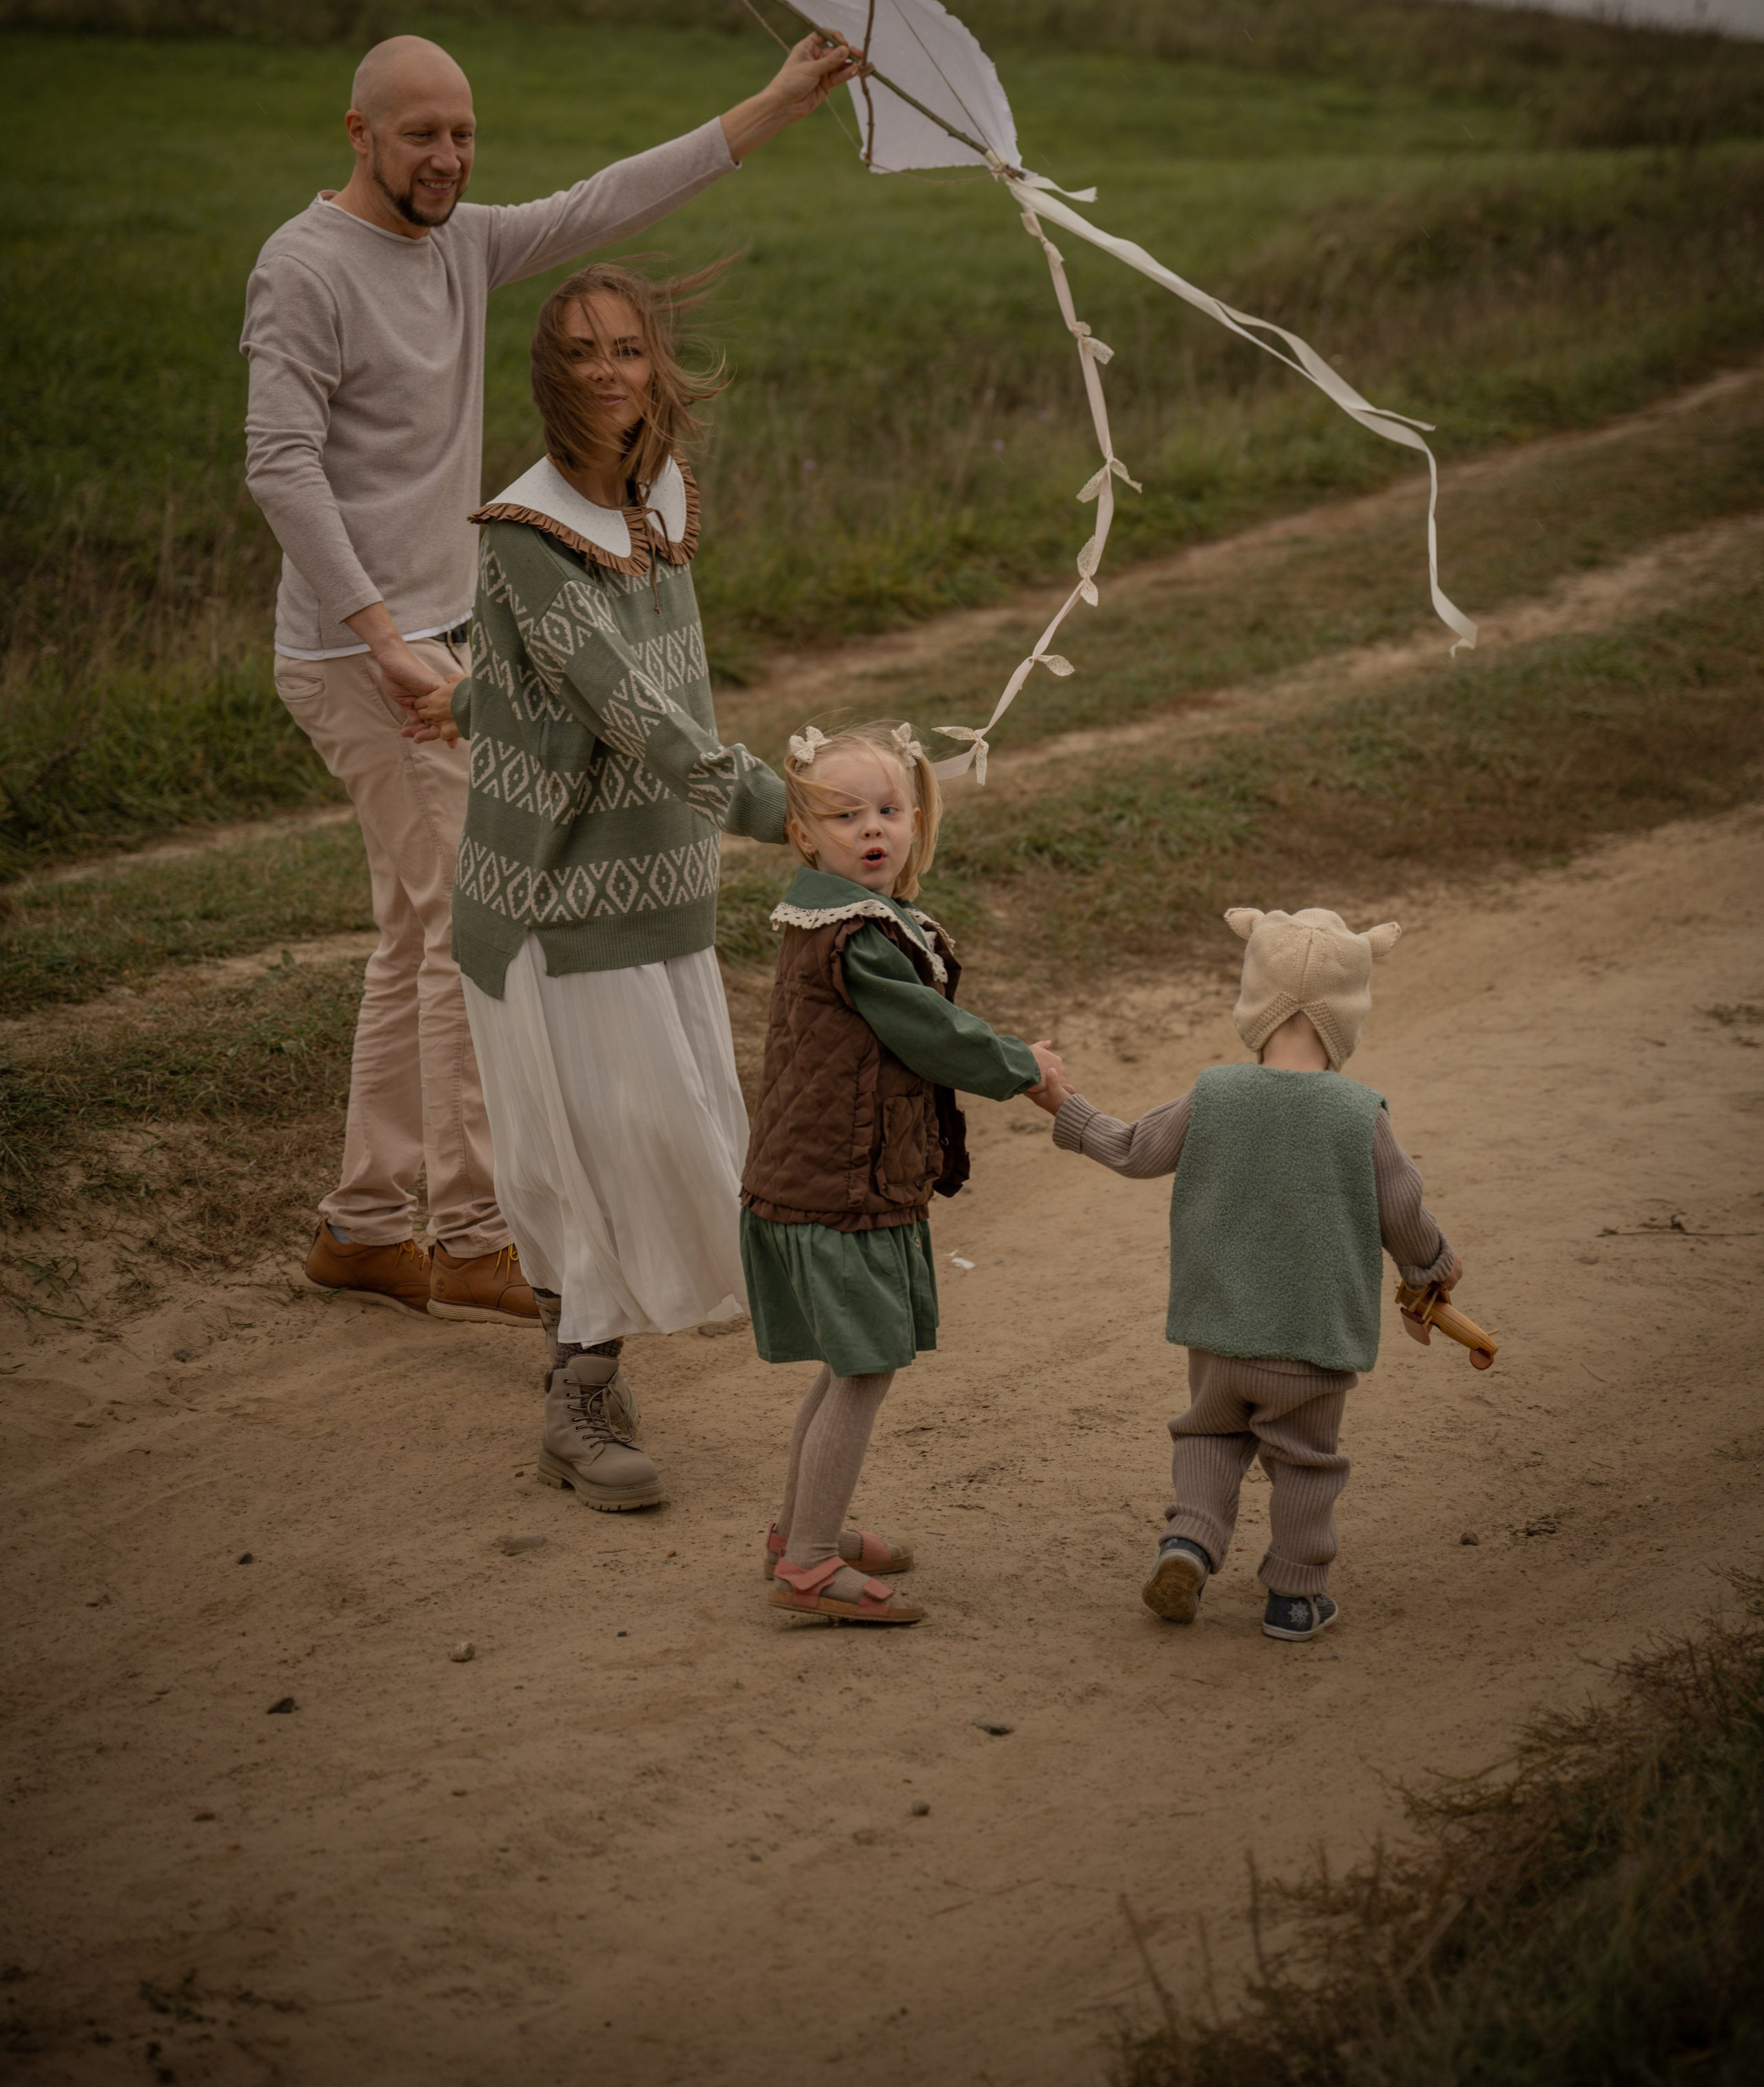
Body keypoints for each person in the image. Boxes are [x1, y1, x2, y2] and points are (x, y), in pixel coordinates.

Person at [242, 27, 855, 1323]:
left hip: (444, 643)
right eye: (420, 135)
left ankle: (368, 1223)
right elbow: (280, 465)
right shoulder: (305, 269)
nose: (448, 158)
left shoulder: (459, 242)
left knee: (421, 929)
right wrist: (384, 636)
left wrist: (779, 104)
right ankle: (468, 1233)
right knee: (477, 925)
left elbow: (609, 199)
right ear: (359, 135)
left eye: (462, 134)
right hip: (362, 656)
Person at [409, 259, 792, 1506]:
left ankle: (589, 1367)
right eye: (579, 353)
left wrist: (475, 696)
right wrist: (780, 809)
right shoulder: (526, 530)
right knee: (598, 1152)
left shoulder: (656, 499)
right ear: (546, 374)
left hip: (658, 882)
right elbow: (628, 708)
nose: (607, 372)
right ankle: (578, 1401)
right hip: (554, 903)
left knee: (665, 1136)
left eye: (626, 348)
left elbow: (576, 672)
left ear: (655, 365)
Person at [1029, 904, 1461, 1642]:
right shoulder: (1360, 1115)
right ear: (1349, 1015)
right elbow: (1404, 1213)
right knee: (1304, 1463)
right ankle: (1294, 1598)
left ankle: (1189, 1544)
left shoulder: (1215, 1092)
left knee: (1208, 1437)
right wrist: (1431, 1273)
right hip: (1311, 1340)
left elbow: (1133, 1149)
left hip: (1219, 1332)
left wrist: (1062, 1104)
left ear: (1252, 1003)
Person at [741, 722, 1056, 1625]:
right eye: (844, 816)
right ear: (804, 836)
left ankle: (801, 1529)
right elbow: (930, 1032)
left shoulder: (846, 919)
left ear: (917, 820)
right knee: (865, 1367)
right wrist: (1019, 1064)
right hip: (839, 1186)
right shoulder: (854, 938)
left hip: (820, 1174)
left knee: (849, 1362)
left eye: (887, 810)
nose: (869, 829)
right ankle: (806, 1562)